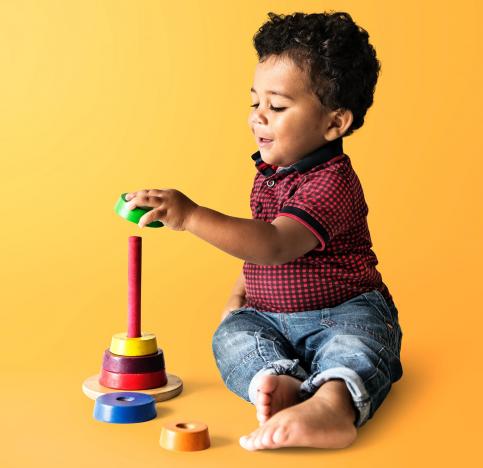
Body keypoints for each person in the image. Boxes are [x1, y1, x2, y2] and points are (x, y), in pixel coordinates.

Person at [123, 10, 403, 451]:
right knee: (232, 336)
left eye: (276, 106)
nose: (258, 117)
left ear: (335, 123)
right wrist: (240, 294)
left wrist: (189, 215)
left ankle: (332, 405)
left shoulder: (331, 183)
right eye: (255, 102)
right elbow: (258, 242)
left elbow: (275, 243)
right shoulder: (272, 172)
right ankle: (278, 381)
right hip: (271, 316)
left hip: (343, 310)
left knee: (360, 347)